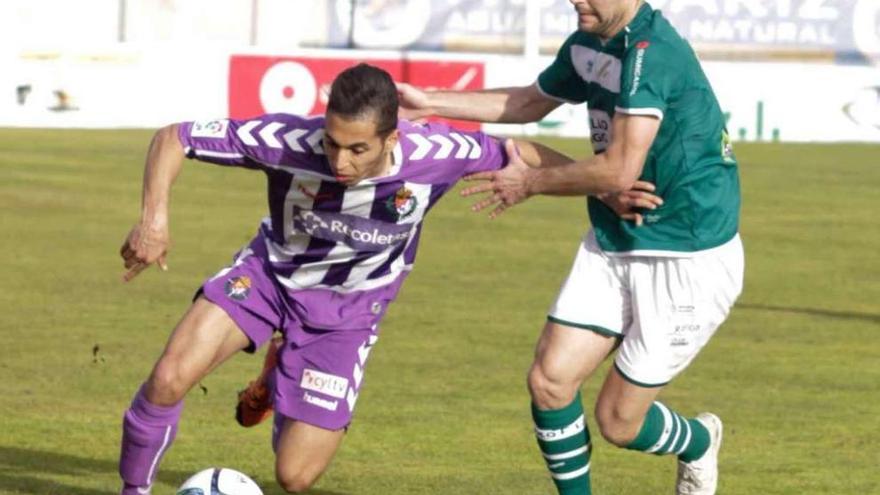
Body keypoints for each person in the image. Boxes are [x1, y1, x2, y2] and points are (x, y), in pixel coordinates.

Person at [116, 62, 659, 495]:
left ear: (391, 137)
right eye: (332, 142)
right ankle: (134, 488)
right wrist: (153, 219)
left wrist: (601, 188)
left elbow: (520, 151)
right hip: (269, 278)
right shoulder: (284, 139)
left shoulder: (437, 153)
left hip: (348, 318)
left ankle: (279, 375)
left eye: (358, 149)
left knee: (295, 477)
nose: (341, 160)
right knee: (168, 378)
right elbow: (174, 138)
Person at [397, 1, 744, 494]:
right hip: (613, 237)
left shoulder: (653, 53)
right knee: (549, 380)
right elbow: (527, 103)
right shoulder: (589, 42)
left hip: (686, 253)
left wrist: (531, 183)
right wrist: (428, 101)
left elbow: (620, 170)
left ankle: (698, 441)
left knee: (619, 422)